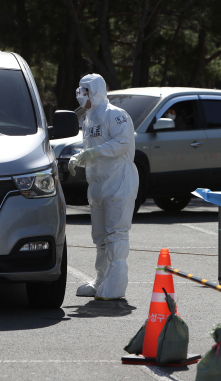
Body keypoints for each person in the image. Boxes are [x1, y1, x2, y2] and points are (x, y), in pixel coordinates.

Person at [68, 74, 139, 300]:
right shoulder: (88, 119)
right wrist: (81, 157)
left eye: (85, 91)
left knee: (116, 232)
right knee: (99, 235)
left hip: (118, 180)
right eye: (80, 90)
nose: (81, 95)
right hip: (98, 182)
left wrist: (91, 153)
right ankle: (101, 278)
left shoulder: (115, 114)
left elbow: (122, 143)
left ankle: (116, 284)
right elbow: (95, 148)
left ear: (96, 91)